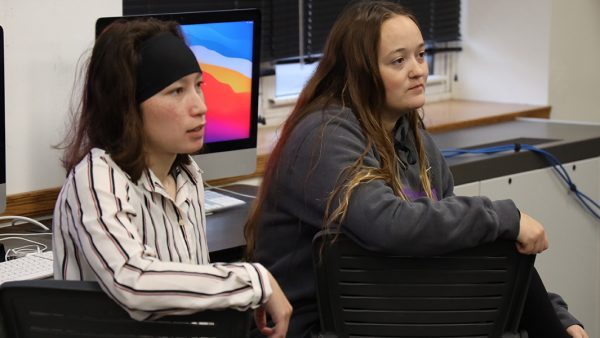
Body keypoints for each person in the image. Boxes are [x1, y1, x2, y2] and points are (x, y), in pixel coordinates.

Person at [244, 1, 587, 337]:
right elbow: (387, 224)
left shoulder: (409, 132)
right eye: (398, 60)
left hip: (387, 301)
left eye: (421, 55)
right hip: (319, 324)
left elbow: (460, 237)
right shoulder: (323, 135)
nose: (418, 70)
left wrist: (557, 313)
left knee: (498, 250)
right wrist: (506, 218)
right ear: (361, 72)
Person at [52, 18, 291, 337]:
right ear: (128, 107)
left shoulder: (186, 173)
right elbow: (134, 283)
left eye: (198, 85)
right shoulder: (97, 178)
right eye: (176, 91)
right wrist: (253, 280)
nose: (201, 106)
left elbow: (188, 293)